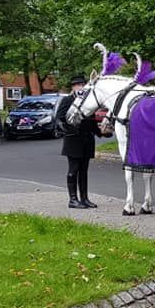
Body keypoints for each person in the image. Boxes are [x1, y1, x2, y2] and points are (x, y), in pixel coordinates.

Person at [56, 74, 102, 209]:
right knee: (73, 170)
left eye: (82, 85)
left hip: (87, 140)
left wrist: (101, 133)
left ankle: (84, 198)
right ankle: (73, 199)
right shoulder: (67, 100)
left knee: (84, 171)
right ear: (73, 87)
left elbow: (92, 122)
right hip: (73, 139)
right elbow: (59, 118)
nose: (81, 87)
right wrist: (65, 128)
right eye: (78, 85)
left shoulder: (88, 101)